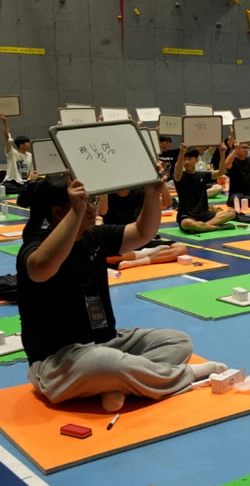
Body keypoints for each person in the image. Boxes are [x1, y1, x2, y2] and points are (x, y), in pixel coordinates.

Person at [17, 175, 226, 412]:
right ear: (58, 211)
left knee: (177, 342)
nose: (93, 208)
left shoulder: (92, 236)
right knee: (103, 363)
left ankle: (116, 384)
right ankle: (183, 376)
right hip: (56, 362)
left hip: (107, 342)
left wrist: (151, 193)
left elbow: (142, 232)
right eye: (86, 202)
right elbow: (41, 268)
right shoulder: (35, 247)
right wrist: (76, 212)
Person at [100, 187, 188, 270]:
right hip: (120, 242)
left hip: (141, 240)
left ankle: (138, 261)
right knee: (104, 256)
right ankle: (147, 254)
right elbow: (102, 210)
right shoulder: (108, 195)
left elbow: (167, 203)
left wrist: (160, 181)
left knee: (180, 248)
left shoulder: (139, 192)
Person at [174, 146, 236, 232]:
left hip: (204, 214)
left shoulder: (202, 175)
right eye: (184, 159)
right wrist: (181, 152)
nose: (187, 162)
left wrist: (222, 153)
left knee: (231, 213)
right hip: (187, 215)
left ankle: (203, 227)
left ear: (196, 160)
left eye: (189, 159)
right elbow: (177, 169)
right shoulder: (180, 177)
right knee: (186, 223)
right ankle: (217, 227)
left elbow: (221, 172)